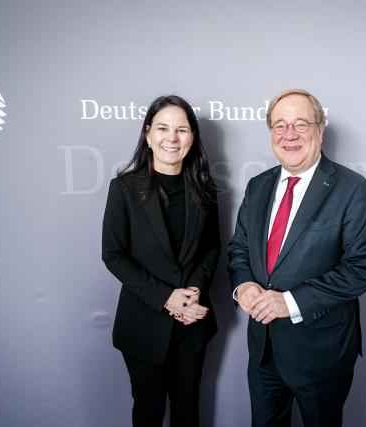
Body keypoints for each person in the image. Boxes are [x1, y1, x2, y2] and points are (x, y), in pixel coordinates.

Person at [228, 88, 366, 426]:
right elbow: (239, 248)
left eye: (301, 124)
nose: (290, 135)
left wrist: (290, 302)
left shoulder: (352, 188)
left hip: (321, 353)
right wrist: (244, 287)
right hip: (264, 349)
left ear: (320, 129)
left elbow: (362, 268)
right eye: (280, 125)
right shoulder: (258, 186)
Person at [102, 95, 220, 427]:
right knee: (148, 413)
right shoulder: (124, 188)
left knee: (188, 412)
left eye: (182, 130)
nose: (172, 138)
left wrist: (193, 291)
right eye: (164, 128)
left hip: (191, 325)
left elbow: (212, 249)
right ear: (148, 134)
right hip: (144, 325)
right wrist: (167, 298)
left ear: (192, 138)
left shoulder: (205, 190)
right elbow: (113, 254)